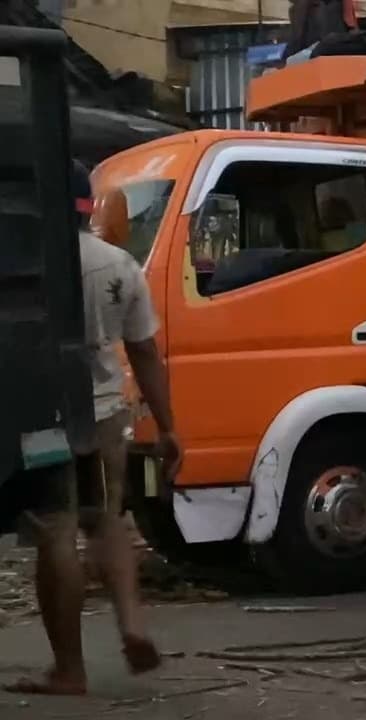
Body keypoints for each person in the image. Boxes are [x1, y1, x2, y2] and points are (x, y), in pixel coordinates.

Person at [5, 161, 182, 696]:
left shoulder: (24, 265)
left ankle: (68, 668)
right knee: (106, 521)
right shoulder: (120, 264)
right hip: (103, 413)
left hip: (42, 417)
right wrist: (169, 426)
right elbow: (145, 350)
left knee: (57, 531)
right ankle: (132, 624)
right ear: (90, 205)